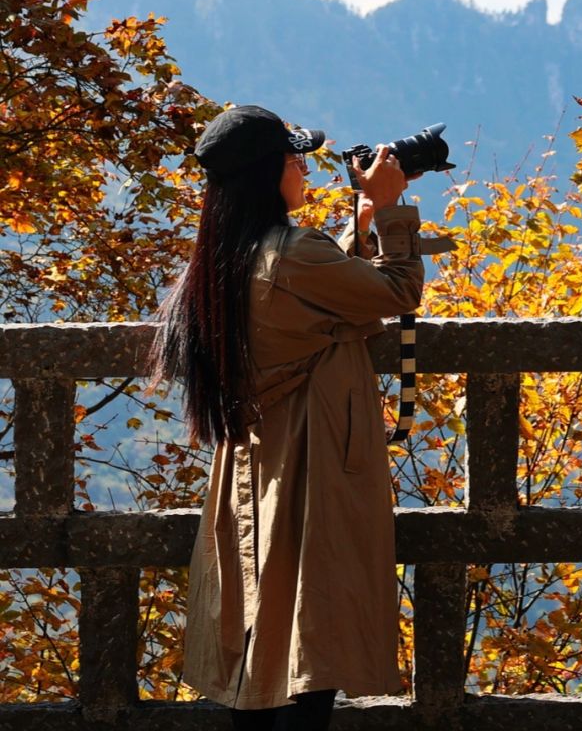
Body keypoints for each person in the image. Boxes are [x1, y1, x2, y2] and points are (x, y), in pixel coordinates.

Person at [154, 104, 424, 731]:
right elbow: (394, 295)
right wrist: (388, 211)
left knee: (261, 651)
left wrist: (359, 228)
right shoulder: (295, 251)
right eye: (294, 156)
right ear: (268, 172)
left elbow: (332, 304)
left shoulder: (222, 259)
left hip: (253, 463)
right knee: (311, 648)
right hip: (314, 465)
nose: (304, 166)